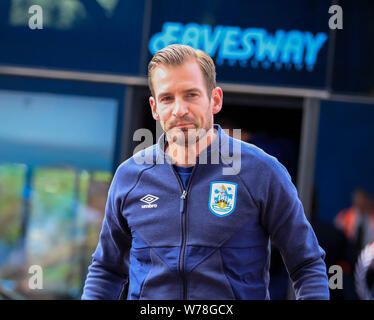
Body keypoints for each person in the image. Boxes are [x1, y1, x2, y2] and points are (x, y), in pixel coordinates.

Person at [82, 44, 329, 300]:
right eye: (168, 98)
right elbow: (106, 270)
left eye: (191, 95)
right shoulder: (130, 177)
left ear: (215, 100)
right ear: (155, 108)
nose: (180, 110)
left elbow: (306, 265)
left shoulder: (261, 171)